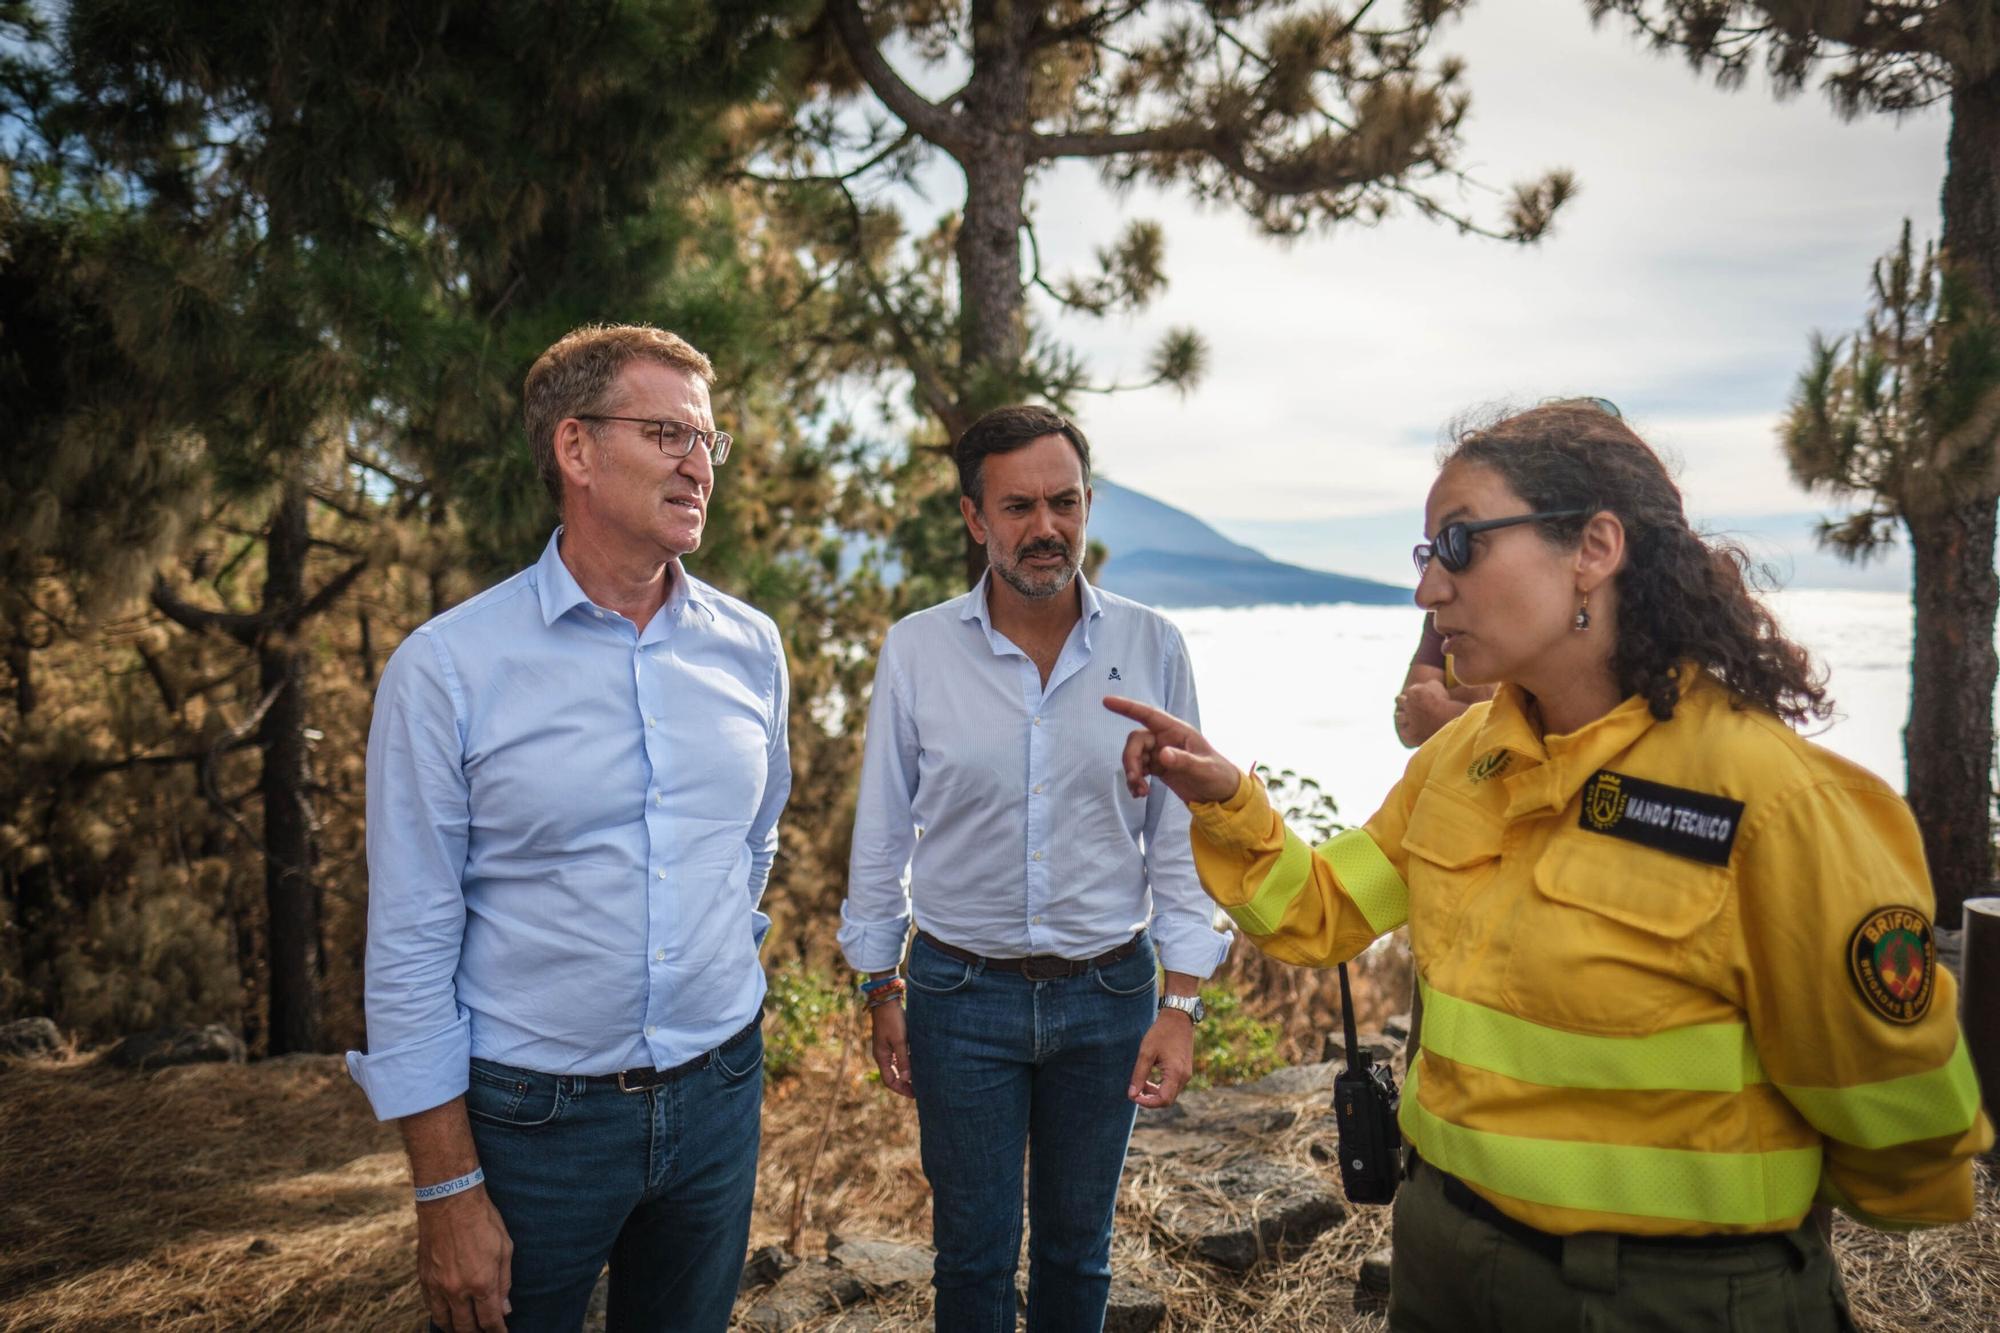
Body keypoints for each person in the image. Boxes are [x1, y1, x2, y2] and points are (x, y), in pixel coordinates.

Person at [1107, 401, 1992, 1331]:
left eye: (1459, 544)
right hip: (1442, 1258)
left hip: (1670, 1299)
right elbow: (1320, 910)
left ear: (1595, 548)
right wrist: (1221, 799)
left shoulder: (1778, 803)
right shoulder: (1460, 762)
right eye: (1425, 555)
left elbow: (1900, 1133)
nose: (1428, 592)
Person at [346, 324, 791, 1333]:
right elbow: (411, 939)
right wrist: (446, 1190)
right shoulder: (448, 667)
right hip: (530, 1127)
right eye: (668, 432)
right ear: (576, 450)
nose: (698, 463)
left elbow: (745, 849)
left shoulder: (751, 648)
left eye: (708, 442)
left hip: (719, 1092)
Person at [840, 405, 1231, 1331]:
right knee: (971, 1257)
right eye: (1018, 506)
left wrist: (1179, 1005)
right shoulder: (918, 649)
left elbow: (1176, 843)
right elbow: (882, 832)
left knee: (1076, 1252)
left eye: (1064, 502)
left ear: (1088, 505)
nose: (1045, 527)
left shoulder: (1153, 646)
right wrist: (878, 984)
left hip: (1109, 999)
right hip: (959, 997)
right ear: (976, 518)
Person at [1393, 615, 1494, 747]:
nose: (1423, 599)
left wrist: (1439, 712)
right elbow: (1407, 725)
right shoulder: (1440, 611)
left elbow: (1517, 720)